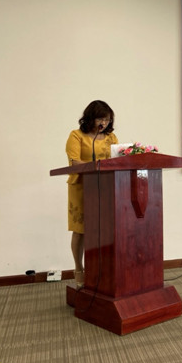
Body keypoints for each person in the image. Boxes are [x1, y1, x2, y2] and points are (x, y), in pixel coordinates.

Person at [65, 100, 118, 288]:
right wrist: (96, 165)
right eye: (100, 119)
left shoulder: (111, 138)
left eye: (107, 119)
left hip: (105, 187)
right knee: (81, 230)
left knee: (105, 229)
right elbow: (74, 162)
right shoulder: (76, 135)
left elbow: (117, 160)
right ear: (90, 118)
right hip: (81, 186)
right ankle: (79, 269)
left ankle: (101, 269)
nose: (103, 123)